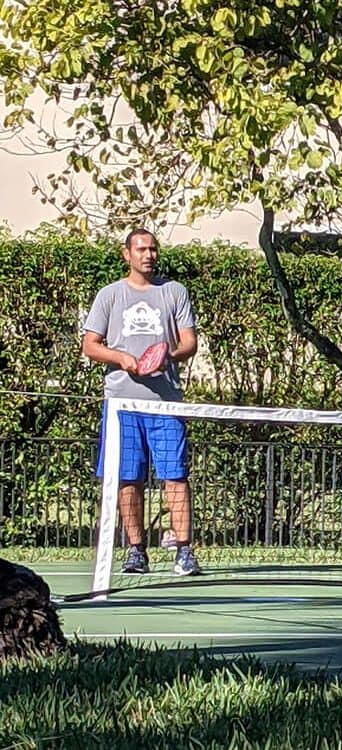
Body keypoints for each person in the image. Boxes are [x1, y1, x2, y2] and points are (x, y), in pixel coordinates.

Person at [82, 228, 200, 576]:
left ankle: (184, 550)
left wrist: (168, 357)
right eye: (141, 249)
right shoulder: (110, 295)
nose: (148, 255)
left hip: (166, 404)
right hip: (121, 404)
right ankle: (136, 551)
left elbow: (189, 343)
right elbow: (90, 344)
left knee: (175, 477)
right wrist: (121, 359)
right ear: (127, 254)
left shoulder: (174, 292)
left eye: (153, 249)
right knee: (127, 479)